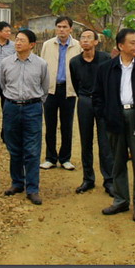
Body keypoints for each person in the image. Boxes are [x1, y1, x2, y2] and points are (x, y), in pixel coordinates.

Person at [93, 29, 135, 222]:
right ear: (120, 45)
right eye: (133, 42)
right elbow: (97, 96)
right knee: (117, 162)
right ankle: (120, 200)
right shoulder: (106, 69)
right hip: (115, 117)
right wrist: (105, 115)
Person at [0, 29, 49, 205]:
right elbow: (3, 84)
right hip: (11, 107)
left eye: (22, 40)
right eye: (17, 39)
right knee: (14, 147)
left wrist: (34, 103)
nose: (18, 43)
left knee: (32, 150)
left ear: (32, 44)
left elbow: (45, 88)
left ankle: (32, 188)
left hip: (32, 108)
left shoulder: (41, 64)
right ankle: (17, 183)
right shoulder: (6, 63)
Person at [69, 28, 113, 196]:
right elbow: (75, 83)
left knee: (105, 142)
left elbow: (110, 80)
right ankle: (88, 178)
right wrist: (84, 97)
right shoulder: (74, 62)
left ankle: (109, 180)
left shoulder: (105, 59)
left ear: (96, 42)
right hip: (85, 101)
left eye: (89, 37)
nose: (85, 40)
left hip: (102, 102)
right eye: (82, 37)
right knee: (86, 140)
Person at [39, 16, 82, 170]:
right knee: (50, 125)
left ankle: (65, 158)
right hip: (50, 90)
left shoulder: (77, 46)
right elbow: (42, 67)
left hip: (68, 90)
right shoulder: (47, 45)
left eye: (65, 27)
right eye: (59, 26)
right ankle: (50, 158)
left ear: (71, 29)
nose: (61, 30)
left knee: (67, 125)